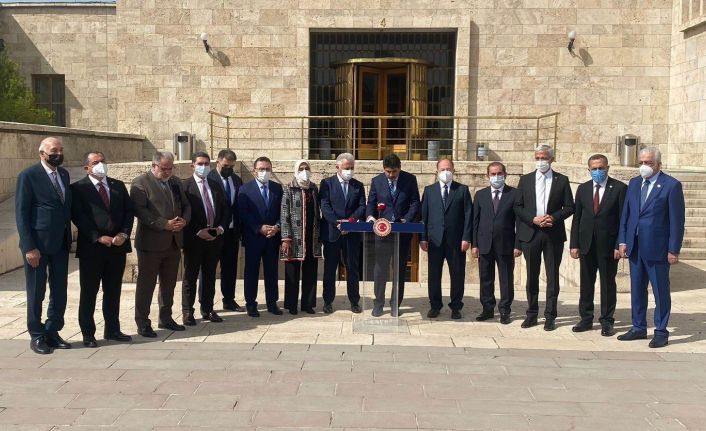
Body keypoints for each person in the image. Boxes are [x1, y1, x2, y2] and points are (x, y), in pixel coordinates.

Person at [618, 147, 685, 348]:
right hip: (635, 246)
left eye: (648, 163)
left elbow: (677, 221)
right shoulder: (634, 183)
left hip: (658, 249)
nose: (644, 166)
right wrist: (623, 241)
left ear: (658, 165)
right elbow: (627, 214)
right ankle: (638, 327)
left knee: (660, 291)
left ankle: (661, 331)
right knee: (637, 290)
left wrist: (673, 249)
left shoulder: (671, 185)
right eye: (641, 162)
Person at [15, 136, 73, 354]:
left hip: (60, 244)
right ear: (42, 154)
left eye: (61, 150)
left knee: (59, 291)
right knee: (36, 291)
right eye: (53, 151)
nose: (58, 154)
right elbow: (21, 214)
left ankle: (52, 330)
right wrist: (29, 247)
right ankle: (37, 335)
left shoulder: (64, 174)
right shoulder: (28, 176)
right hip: (37, 246)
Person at [71, 151, 134, 348]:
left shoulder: (117, 185)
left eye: (103, 161)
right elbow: (78, 216)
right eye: (95, 162)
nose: (100, 164)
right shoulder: (78, 188)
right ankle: (88, 333)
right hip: (92, 249)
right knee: (89, 292)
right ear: (87, 168)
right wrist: (97, 237)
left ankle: (113, 329)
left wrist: (124, 234)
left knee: (113, 291)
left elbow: (128, 212)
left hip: (117, 247)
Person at [130, 151, 191, 337]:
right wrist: (163, 224)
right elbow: (140, 210)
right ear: (154, 165)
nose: (167, 172)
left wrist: (184, 221)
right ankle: (142, 322)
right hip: (151, 244)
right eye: (164, 168)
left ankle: (166, 317)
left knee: (169, 284)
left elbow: (186, 205)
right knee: (146, 285)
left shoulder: (175, 182)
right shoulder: (140, 183)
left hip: (173, 242)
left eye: (170, 168)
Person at [514, 145, 574, 331]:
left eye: (544, 158)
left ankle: (550, 316)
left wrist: (554, 218)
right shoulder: (525, 180)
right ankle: (532, 314)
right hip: (531, 233)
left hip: (552, 234)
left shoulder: (561, 180)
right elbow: (518, 206)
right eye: (538, 157)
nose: (541, 161)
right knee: (531, 275)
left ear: (552, 159)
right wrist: (533, 219)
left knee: (552, 276)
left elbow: (569, 207)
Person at [569, 154, 627, 337]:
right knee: (586, 283)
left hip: (608, 246)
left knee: (607, 284)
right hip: (586, 244)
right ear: (589, 170)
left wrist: (619, 244)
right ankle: (586, 319)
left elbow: (623, 219)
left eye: (601, 168)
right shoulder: (583, 189)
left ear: (607, 168)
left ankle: (607, 321)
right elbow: (577, 218)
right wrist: (574, 244)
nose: (598, 171)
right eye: (594, 169)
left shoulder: (619, 188)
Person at [365, 153, 420, 317]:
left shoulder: (410, 180)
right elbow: (371, 203)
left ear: (400, 168)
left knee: (399, 269)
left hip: (402, 232)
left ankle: (396, 303)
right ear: (383, 169)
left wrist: (406, 219)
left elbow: (415, 202)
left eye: (394, 172)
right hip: (382, 232)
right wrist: (371, 217)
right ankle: (378, 304)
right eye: (388, 171)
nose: (391, 175)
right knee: (380, 269)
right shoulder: (377, 181)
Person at [419, 158, 472, 319]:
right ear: (437, 171)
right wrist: (423, 238)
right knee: (434, 275)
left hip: (456, 241)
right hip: (434, 240)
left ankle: (456, 306)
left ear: (454, 170)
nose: (446, 172)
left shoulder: (462, 190)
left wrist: (466, 238)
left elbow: (468, 215)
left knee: (457, 274)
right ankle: (435, 305)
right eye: (442, 169)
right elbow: (424, 216)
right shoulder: (429, 190)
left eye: (448, 169)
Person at [181, 152, 229, 325]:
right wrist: (197, 231)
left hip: (214, 239)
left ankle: (207, 308)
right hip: (194, 240)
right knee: (190, 276)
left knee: (209, 275)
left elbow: (225, 209)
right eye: (200, 163)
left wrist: (220, 228)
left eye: (206, 163)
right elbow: (183, 213)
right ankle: (188, 311)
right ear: (192, 165)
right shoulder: (185, 186)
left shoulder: (215, 185)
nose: (204, 167)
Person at [471, 162, 522, 324]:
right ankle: (487, 309)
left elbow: (519, 222)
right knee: (485, 278)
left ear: (505, 175)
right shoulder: (480, 195)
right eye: (493, 174)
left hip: (506, 244)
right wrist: (474, 244)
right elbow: (475, 221)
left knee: (506, 279)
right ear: (487, 176)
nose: (496, 177)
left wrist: (518, 245)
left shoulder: (514, 194)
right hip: (484, 243)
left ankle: (505, 310)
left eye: (499, 173)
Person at [319, 153, 366, 314]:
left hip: (351, 233)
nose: (349, 171)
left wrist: (350, 222)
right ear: (337, 167)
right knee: (330, 269)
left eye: (352, 168)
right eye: (347, 168)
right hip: (332, 233)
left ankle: (354, 301)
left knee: (352, 268)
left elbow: (362, 206)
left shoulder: (358, 185)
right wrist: (337, 223)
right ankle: (328, 301)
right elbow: (325, 205)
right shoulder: (327, 183)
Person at [239, 156, 283, 317]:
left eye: (267, 169)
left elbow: (283, 211)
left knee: (272, 271)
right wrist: (259, 228)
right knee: (251, 272)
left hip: (272, 237)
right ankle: (251, 304)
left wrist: (277, 227)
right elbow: (243, 213)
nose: (264, 172)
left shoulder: (277, 188)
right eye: (261, 169)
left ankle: (272, 303)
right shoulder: (245, 189)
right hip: (254, 238)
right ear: (254, 170)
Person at [280, 160, 322, 314]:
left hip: (311, 236)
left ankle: (308, 304)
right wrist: (286, 238)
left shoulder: (313, 188)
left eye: (307, 168)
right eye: (301, 168)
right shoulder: (289, 188)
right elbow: (284, 214)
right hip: (294, 237)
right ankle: (291, 305)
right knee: (292, 273)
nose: (305, 171)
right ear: (296, 171)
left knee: (310, 272)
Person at [207, 149, 244, 312]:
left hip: (231, 232)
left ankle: (229, 299)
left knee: (230, 268)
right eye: (225, 166)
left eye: (231, 167)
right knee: (209, 269)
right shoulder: (209, 179)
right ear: (218, 162)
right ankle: (207, 304)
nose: (228, 169)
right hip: (214, 232)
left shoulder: (236, 180)